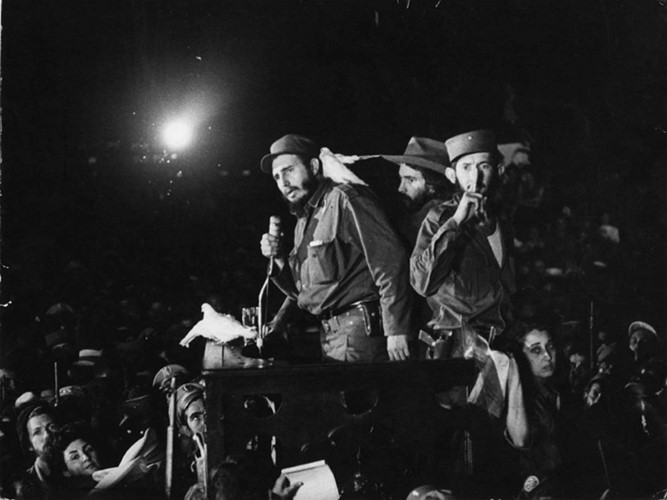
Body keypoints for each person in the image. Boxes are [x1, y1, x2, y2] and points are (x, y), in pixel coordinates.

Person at [259, 134, 412, 362]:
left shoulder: (346, 199)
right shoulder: (304, 219)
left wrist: (396, 329)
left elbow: (391, 261)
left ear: (313, 166)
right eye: (277, 177)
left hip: (360, 332)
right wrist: (279, 257)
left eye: (289, 170)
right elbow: (304, 292)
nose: (284, 182)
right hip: (333, 335)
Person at [410, 129, 516, 356]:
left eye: (484, 166)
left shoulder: (502, 220)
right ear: (451, 175)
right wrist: (457, 221)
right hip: (457, 346)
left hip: (498, 344)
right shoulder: (440, 218)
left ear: (498, 170)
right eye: (466, 167)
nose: (475, 177)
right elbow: (422, 282)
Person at [381, 137, 452, 247]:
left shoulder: (438, 220)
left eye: (411, 180)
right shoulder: (410, 220)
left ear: (433, 186)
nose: (401, 188)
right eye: (401, 179)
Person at [15, 402, 62, 499]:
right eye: (37, 432)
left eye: (52, 427)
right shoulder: (22, 486)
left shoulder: (79, 470)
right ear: (29, 444)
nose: (47, 435)